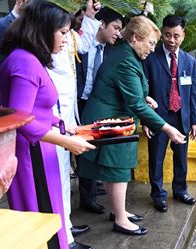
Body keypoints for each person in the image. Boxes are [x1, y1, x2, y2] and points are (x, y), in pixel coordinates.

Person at [0, 0, 95, 249]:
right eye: (63, 32)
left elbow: (37, 110)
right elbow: (21, 120)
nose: (67, 40)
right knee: (44, 219)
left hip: (42, 150)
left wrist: (66, 127)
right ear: (43, 30)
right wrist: (66, 141)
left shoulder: (27, 59)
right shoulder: (25, 62)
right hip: (33, 156)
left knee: (51, 215)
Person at [78, 15, 186, 235]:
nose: (153, 48)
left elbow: (131, 92)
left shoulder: (127, 54)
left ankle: (119, 211)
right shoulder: (126, 60)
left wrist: (144, 98)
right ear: (136, 38)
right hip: (110, 119)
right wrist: (166, 128)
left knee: (113, 169)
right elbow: (134, 103)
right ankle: (120, 219)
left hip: (113, 117)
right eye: (151, 43)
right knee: (118, 169)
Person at [47, 0, 101, 249]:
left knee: (64, 179)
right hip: (52, 123)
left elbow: (88, 42)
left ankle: (66, 224)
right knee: (56, 179)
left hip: (66, 118)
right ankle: (62, 237)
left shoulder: (70, 39)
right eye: (63, 31)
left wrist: (92, 13)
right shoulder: (43, 50)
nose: (67, 38)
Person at [143, 15, 196, 212]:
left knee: (181, 157)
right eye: (167, 35)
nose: (171, 40)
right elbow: (144, 90)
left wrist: (194, 120)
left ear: (183, 35)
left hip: (181, 116)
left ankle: (180, 190)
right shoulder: (150, 58)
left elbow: (193, 93)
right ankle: (158, 194)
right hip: (158, 117)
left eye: (176, 35)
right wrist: (145, 119)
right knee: (156, 157)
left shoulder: (190, 61)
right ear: (162, 34)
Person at [76, 7, 124, 215]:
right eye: (114, 27)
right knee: (82, 150)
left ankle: (91, 193)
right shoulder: (80, 45)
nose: (118, 33)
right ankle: (87, 198)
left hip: (99, 104)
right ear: (101, 24)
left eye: (120, 29)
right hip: (78, 102)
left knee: (95, 147)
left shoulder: (112, 51)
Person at [0, 0, 29, 98]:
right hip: (12, 92)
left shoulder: (33, 26)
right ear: (19, 2)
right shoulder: (0, 26)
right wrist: (3, 98)